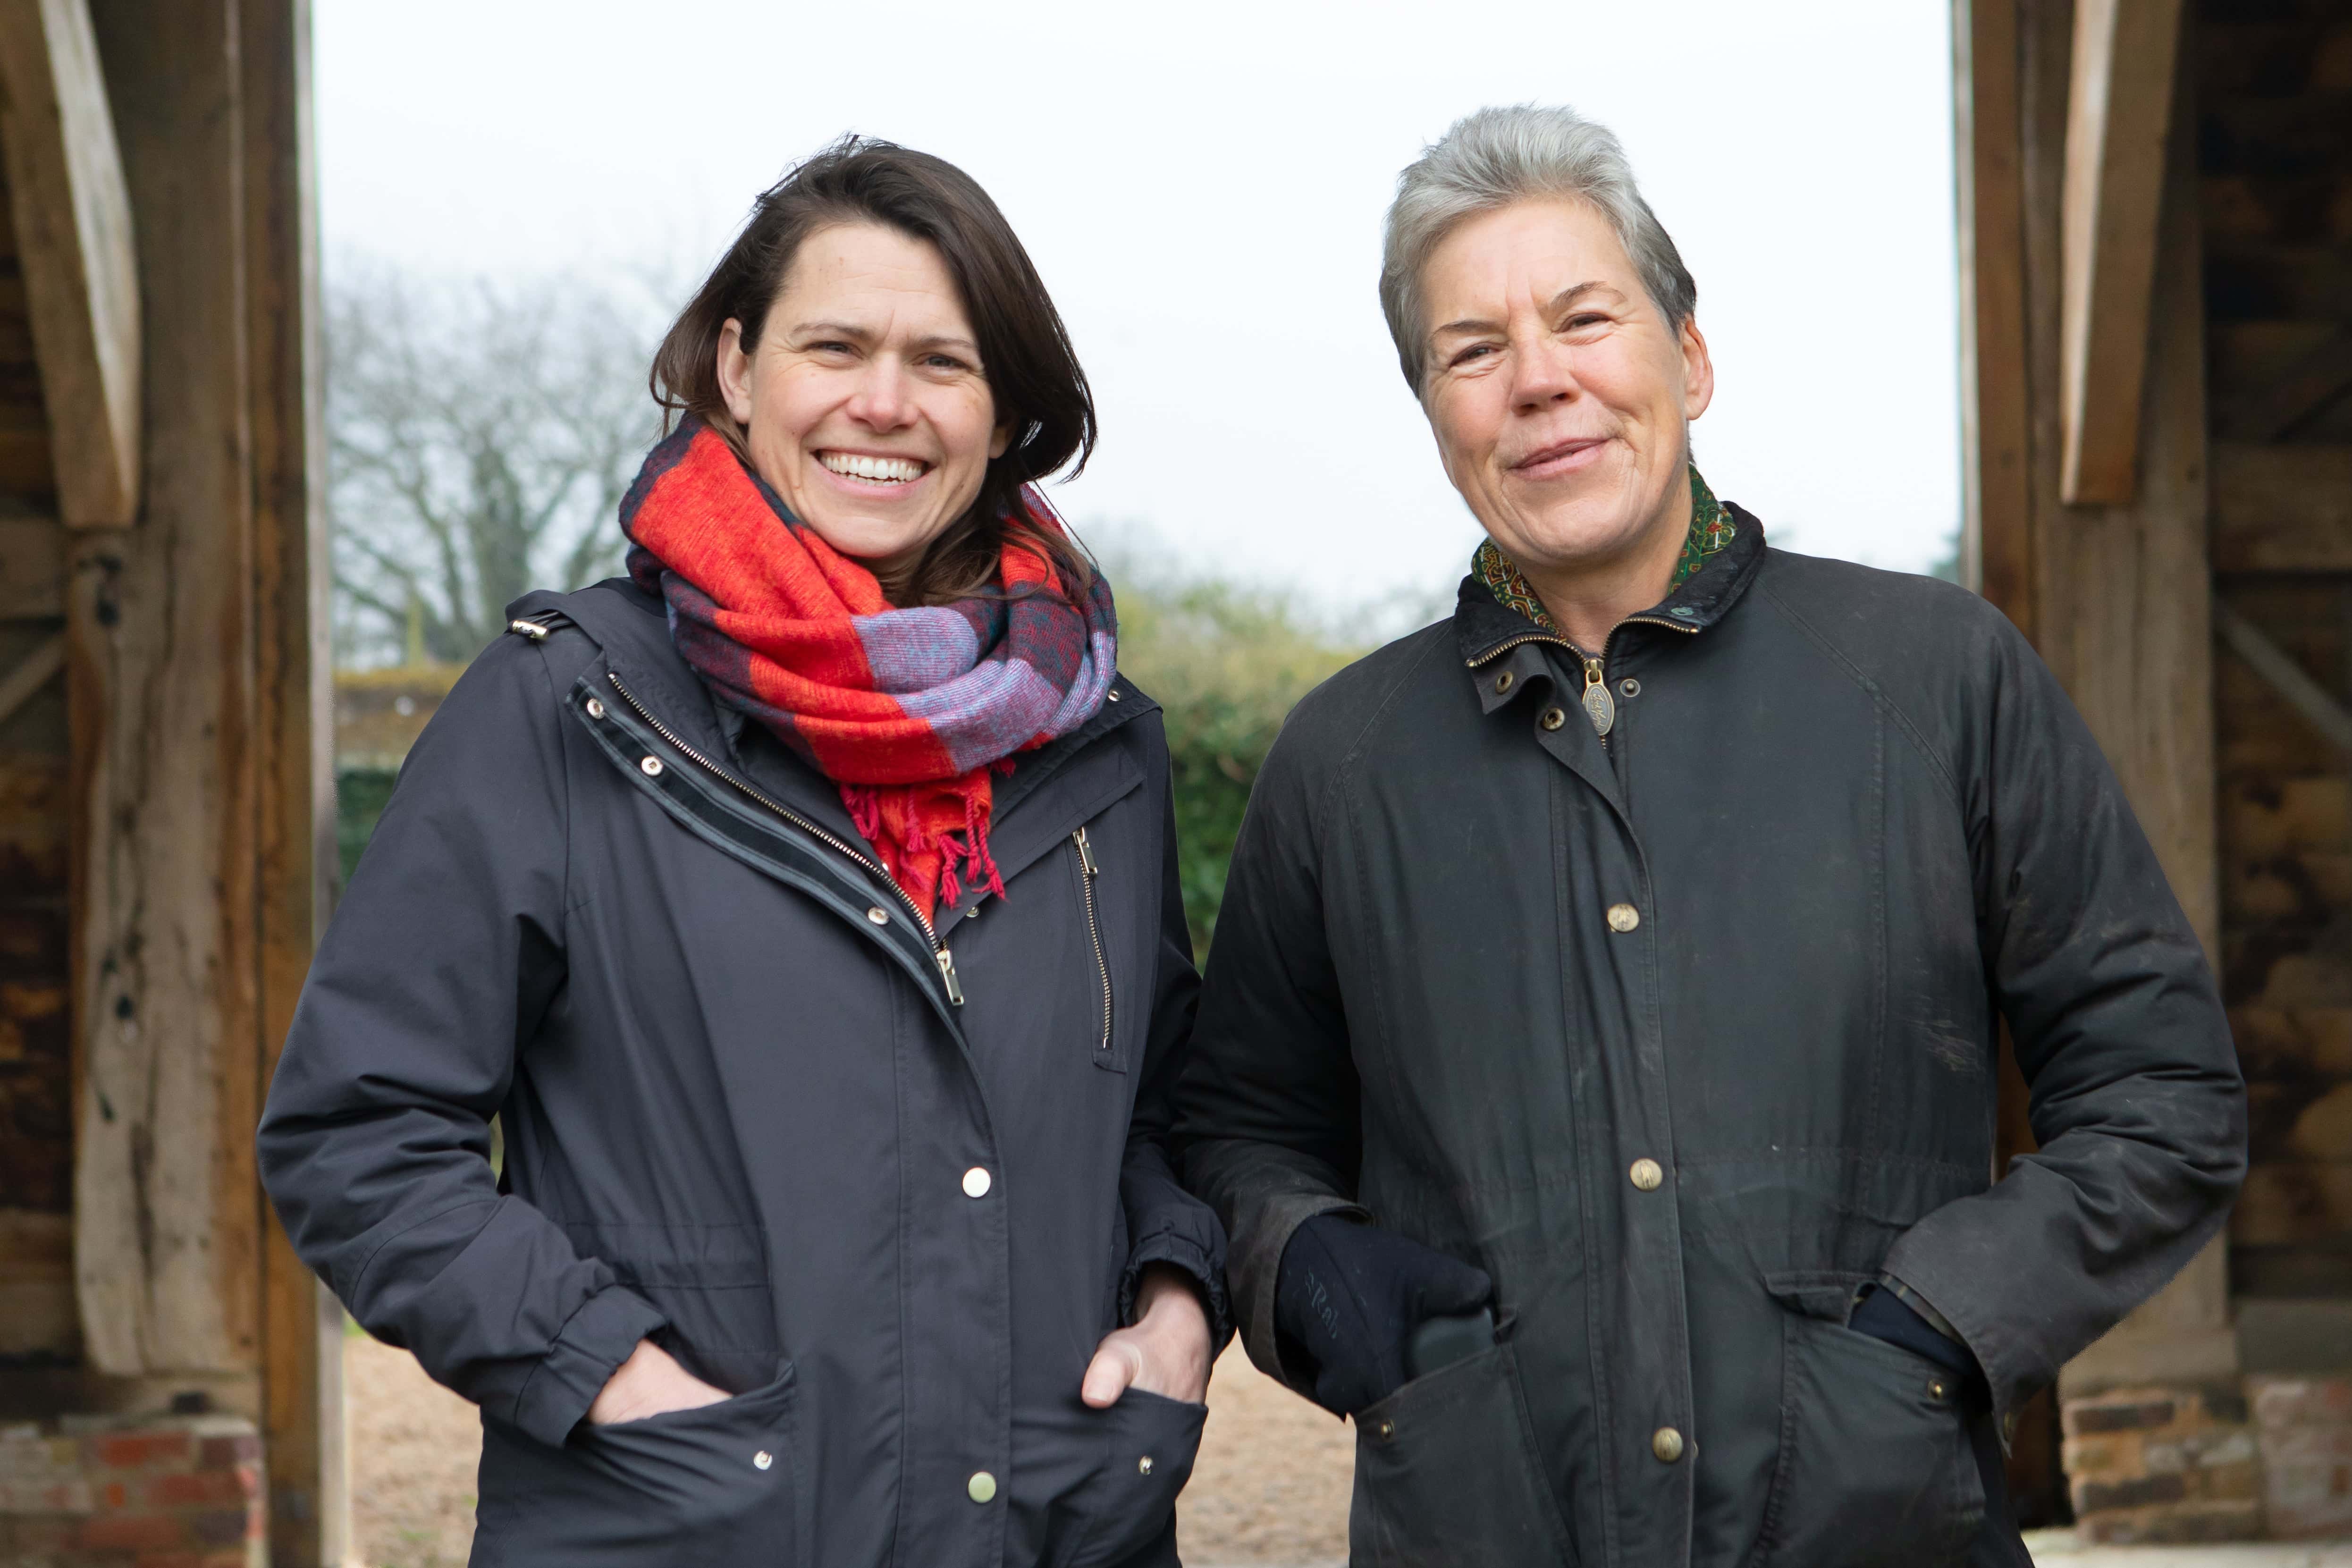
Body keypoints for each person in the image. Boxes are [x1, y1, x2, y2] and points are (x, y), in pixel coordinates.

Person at [1175, 105, 2245, 1568]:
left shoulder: (1936, 678)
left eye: (1584, 318)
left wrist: (1932, 1331)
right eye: (1472, 350)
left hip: (1882, 1527)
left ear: (1689, 357)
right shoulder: (1341, 761)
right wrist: (1320, 1273)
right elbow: (1237, 1128)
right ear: (1432, 410)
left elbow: (2164, 1093)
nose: (1538, 381)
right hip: (1482, 1527)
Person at [260, 137, 1227, 1568]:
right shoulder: (562, 706)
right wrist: (606, 1370)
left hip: (1055, 1526)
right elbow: (357, 1130)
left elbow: (1157, 1103)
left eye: (942, 362)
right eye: (833, 345)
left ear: (1005, 404)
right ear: (734, 367)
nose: (882, 404)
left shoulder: (1099, 738)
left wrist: (1178, 1303)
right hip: (685, 1527)